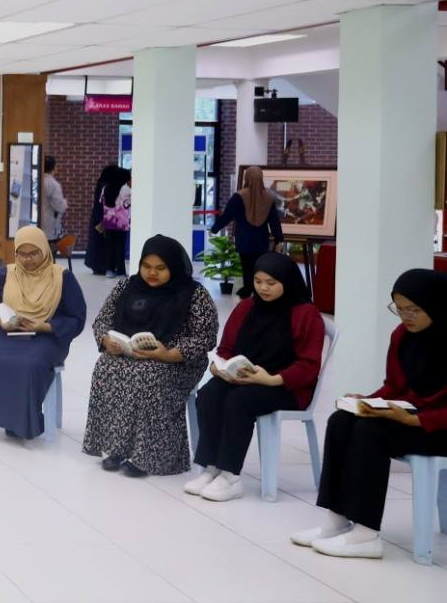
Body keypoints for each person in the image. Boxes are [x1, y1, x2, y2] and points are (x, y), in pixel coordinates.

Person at [292, 269, 447, 559]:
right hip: (411, 417)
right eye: (399, 309)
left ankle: (366, 533)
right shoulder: (402, 335)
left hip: (438, 426)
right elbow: (394, 387)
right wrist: (368, 402)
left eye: (414, 309)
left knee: (370, 431)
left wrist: (415, 420)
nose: (406, 316)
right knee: (342, 420)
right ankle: (336, 519)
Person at [187, 252, 323, 501]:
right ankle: (211, 467)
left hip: (286, 386)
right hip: (244, 378)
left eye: (271, 283)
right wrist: (219, 367)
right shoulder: (246, 307)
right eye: (258, 281)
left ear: (287, 281)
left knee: (239, 401)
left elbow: (308, 366)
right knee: (208, 394)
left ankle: (230, 475)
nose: (263, 288)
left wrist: (271, 379)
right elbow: (226, 349)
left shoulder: (306, 314)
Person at [82, 235, 217, 477]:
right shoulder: (127, 286)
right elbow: (102, 320)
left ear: (174, 266)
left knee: (148, 375)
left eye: (160, 268)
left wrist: (168, 354)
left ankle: (149, 457)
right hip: (130, 353)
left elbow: (205, 337)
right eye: (146, 266)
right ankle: (114, 448)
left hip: (178, 361)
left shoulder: (193, 294)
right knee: (105, 367)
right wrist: (107, 341)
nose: (152, 273)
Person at [0, 224, 87, 440]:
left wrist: (43, 326)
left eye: (34, 253)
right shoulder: (4, 274)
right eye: (22, 254)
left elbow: (77, 318)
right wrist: (1, 322)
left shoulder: (62, 277)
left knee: (31, 363)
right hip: (7, 332)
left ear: (44, 249)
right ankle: (9, 417)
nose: (28, 259)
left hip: (46, 336)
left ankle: (22, 419)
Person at [211, 166, 284, 299]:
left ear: (247, 178)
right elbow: (274, 221)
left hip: (244, 239)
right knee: (260, 266)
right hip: (261, 240)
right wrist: (278, 239)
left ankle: (247, 290)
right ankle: (258, 291)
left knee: (246, 266)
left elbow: (227, 215)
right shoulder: (268, 198)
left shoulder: (238, 196)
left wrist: (214, 229)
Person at [84, 165, 132, 277]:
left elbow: (100, 203)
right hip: (118, 221)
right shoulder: (122, 189)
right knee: (118, 245)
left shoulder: (104, 186)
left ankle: (108, 269)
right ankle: (118, 269)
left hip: (106, 220)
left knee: (108, 245)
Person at [41, 155, 68, 247]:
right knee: (50, 251)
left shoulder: (39, 180)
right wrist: (65, 203)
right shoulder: (54, 184)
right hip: (50, 224)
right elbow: (59, 206)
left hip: (38, 223)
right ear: (54, 168)